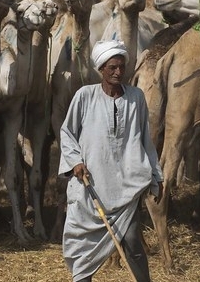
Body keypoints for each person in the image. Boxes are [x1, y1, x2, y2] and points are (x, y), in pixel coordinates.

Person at [59, 40, 163, 282]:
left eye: (121, 67)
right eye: (112, 67)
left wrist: (156, 176)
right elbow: (67, 133)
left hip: (126, 188)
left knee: (133, 243)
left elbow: (146, 140)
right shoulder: (85, 96)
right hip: (91, 188)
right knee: (83, 249)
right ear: (101, 69)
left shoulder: (136, 97)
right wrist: (75, 161)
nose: (118, 72)